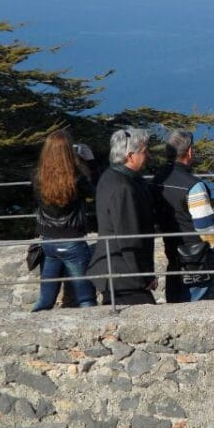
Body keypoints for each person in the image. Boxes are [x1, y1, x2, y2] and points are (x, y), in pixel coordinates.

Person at [87, 128, 157, 306]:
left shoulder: (111, 177)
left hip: (116, 271)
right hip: (123, 274)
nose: (148, 155)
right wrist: (144, 276)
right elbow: (129, 238)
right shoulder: (123, 188)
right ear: (130, 156)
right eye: (144, 151)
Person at [31, 130, 97, 311]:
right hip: (72, 239)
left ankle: (36, 320)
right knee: (85, 298)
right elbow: (95, 190)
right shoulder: (77, 177)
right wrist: (89, 161)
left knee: (45, 299)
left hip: (48, 241)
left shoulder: (38, 176)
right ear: (69, 150)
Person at [151, 130, 214, 303]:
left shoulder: (157, 179)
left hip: (172, 251)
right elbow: (205, 225)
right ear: (189, 151)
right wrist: (213, 245)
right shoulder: (194, 186)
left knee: (174, 300)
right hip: (195, 256)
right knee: (195, 303)